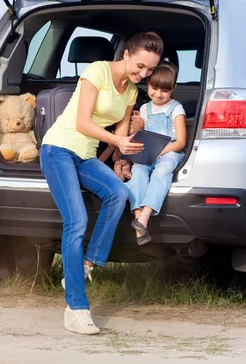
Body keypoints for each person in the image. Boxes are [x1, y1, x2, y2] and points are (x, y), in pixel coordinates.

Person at [40, 32, 163, 335]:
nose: (144, 74)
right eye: (141, 66)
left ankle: (85, 266)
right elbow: (83, 123)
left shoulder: (132, 91)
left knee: (118, 194)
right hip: (59, 149)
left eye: (150, 70)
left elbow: (120, 137)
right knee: (77, 220)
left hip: (86, 155)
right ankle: (77, 309)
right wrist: (117, 139)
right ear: (127, 54)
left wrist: (124, 153)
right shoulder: (97, 70)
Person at [126, 60, 186, 245]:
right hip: (148, 150)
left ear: (173, 89)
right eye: (154, 88)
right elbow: (140, 134)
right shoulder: (145, 108)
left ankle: (144, 216)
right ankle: (139, 219)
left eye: (164, 91)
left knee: (162, 172)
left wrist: (161, 151)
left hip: (169, 151)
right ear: (148, 84)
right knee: (137, 172)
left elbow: (181, 142)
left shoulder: (176, 109)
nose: (158, 94)